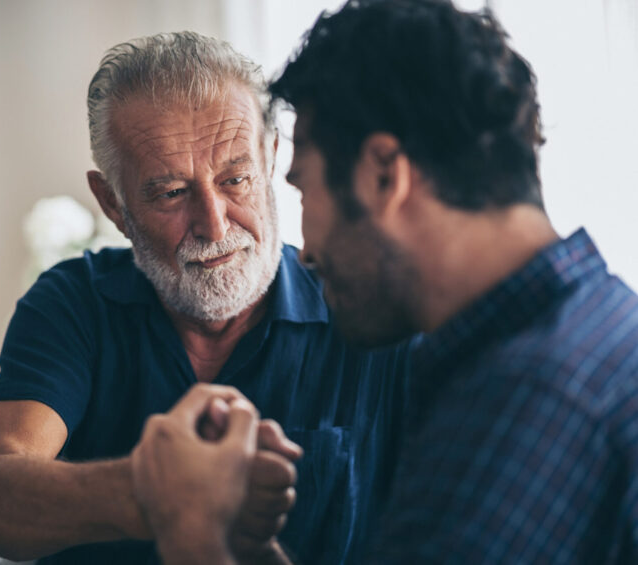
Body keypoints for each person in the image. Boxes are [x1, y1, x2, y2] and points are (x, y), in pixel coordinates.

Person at [130, 1, 638, 564]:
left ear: (382, 175)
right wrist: (240, 545)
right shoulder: (602, 323)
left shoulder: (524, 401)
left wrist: (189, 526)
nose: (309, 252)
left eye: (304, 191)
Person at [0, 31, 410, 564]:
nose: (214, 226)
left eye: (236, 179)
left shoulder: (369, 312)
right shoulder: (73, 304)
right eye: (171, 193)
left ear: (272, 159)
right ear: (113, 204)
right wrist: (154, 495)